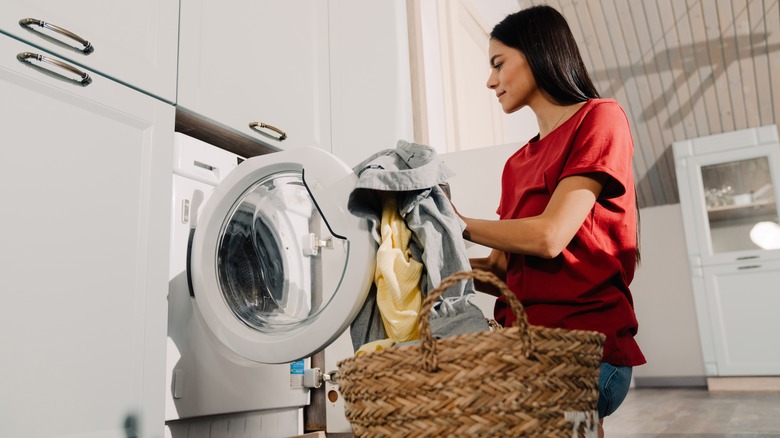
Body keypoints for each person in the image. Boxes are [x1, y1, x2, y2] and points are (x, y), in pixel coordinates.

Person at [454, 5, 646, 437]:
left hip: (584, 351)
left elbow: (550, 236)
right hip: (520, 347)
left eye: (498, 64)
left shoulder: (600, 117)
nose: (490, 81)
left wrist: (458, 224)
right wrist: (427, 255)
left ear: (537, 52)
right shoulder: (516, 163)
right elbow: (501, 271)